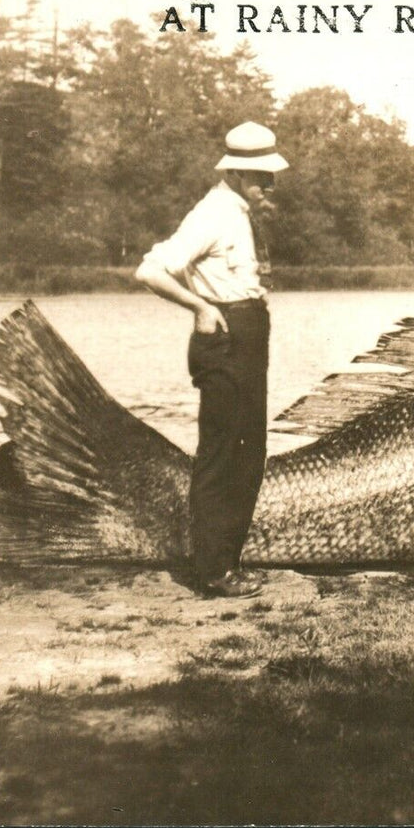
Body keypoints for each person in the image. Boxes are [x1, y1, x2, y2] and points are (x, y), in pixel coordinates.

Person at [134, 121, 288, 598]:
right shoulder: (213, 213)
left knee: (248, 450)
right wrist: (200, 307)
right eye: (263, 178)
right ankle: (213, 570)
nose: (270, 186)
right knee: (224, 452)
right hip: (224, 337)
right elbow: (149, 269)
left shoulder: (236, 211)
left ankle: (225, 562)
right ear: (239, 174)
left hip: (244, 334)